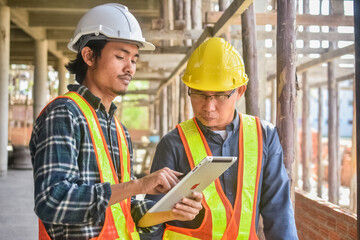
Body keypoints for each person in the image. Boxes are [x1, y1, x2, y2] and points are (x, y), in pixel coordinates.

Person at [29, 4, 202, 240]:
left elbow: (124, 210)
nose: (129, 67)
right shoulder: (64, 114)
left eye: (134, 59)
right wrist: (139, 185)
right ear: (89, 55)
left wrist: (170, 210)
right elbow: (52, 200)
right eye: (120, 56)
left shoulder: (119, 130)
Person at [143, 37, 299, 239]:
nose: (208, 106)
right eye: (199, 94)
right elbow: (151, 219)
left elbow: (278, 212)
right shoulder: (173, 143)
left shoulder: (264, 137)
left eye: (219, 95)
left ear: (240, 91)